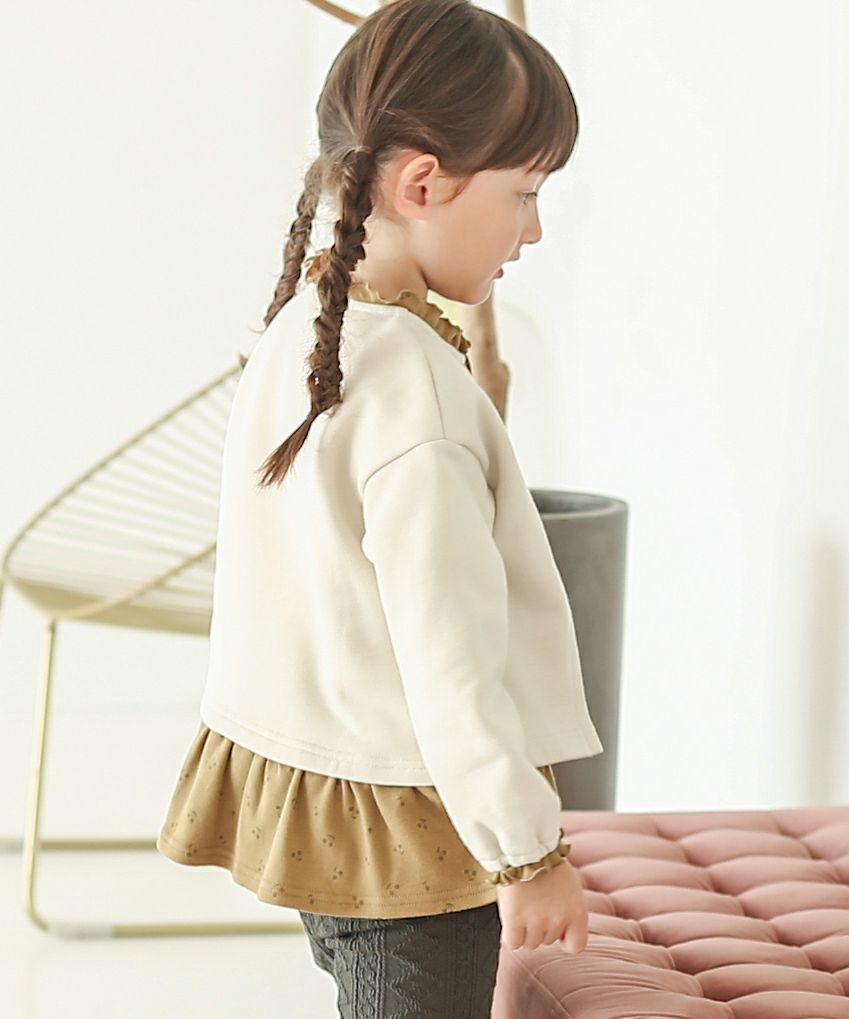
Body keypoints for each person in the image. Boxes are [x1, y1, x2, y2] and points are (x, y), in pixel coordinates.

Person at [156, 0, 603, 1014]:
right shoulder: (410, 389)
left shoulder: (308, 323)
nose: (534, 229)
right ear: (422, 183)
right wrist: (528, 851)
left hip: (324, 797)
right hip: (413, 827)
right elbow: (452, 660)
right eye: (525, 193)